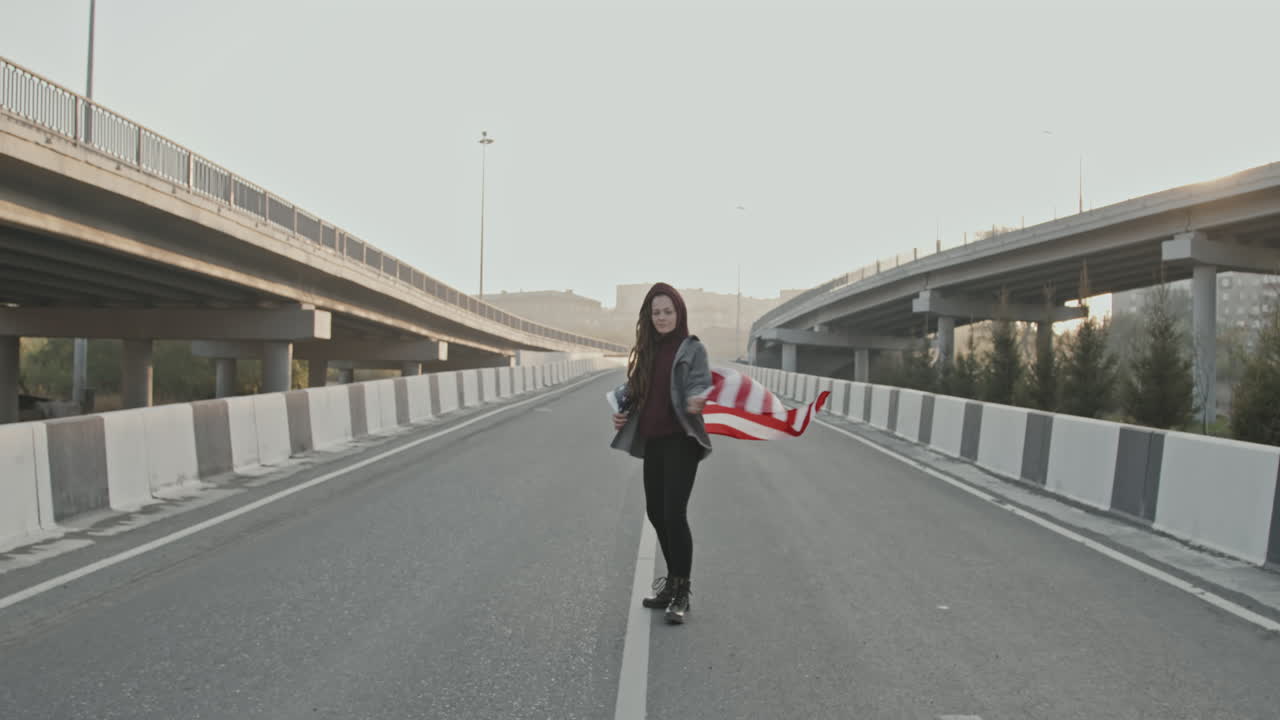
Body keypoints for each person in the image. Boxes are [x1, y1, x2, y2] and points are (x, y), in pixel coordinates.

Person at [610, 282, 712, 625]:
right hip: (653, 441)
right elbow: (636, 393)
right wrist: (622, 415)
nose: (662, 317)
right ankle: (672, 583)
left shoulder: (692, 348)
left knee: (674, 513)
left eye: (668, 311)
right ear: (648, 316)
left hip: (681, 441)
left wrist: (697, 397)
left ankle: (681, 591)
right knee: (656, 512)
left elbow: (700, 381)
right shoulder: (647, 350)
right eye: (656, 312)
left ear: (679, 312)